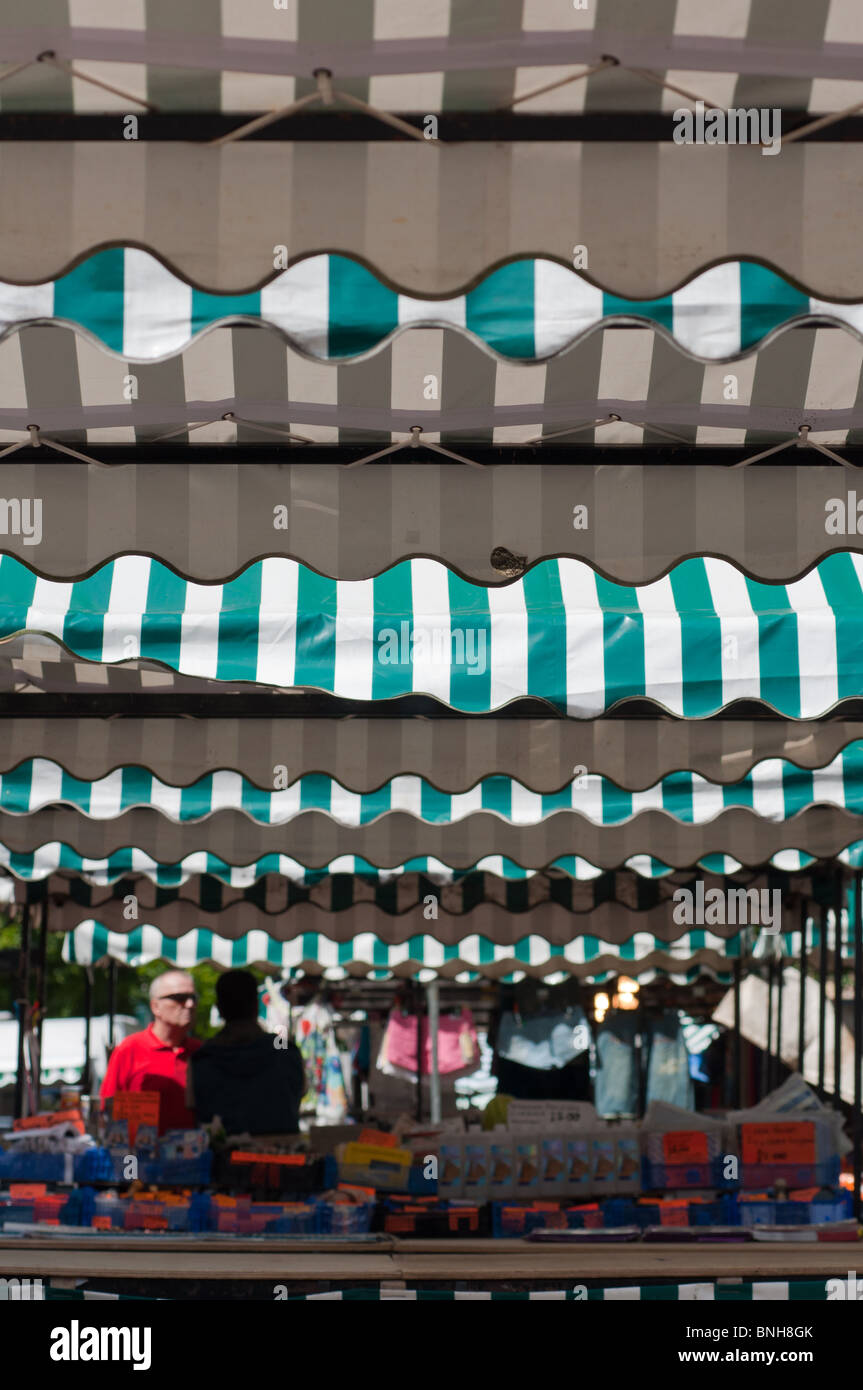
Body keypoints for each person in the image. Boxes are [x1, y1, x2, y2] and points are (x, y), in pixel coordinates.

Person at [188, 970, 304, 1135]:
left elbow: (194, 1113)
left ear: (220, 1009)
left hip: (223, 1158)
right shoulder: (286, 1052)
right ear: (256, 1006)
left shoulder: (201, 1060)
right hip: (282, 1156)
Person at [100, 970, 201, 1133]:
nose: (190, 1004)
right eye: (180, 998)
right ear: (155, 1006)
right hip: (140, 1156)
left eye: (193, 998)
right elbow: (107, 1110)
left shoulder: (201, 1052)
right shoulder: (129, 1049)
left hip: (194, 1155)